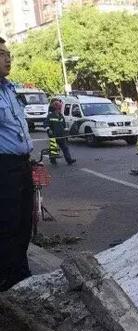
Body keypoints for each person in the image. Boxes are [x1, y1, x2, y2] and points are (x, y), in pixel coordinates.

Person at [0, 36, 34, 291]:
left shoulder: (10, 89)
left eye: (8, 53)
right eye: (2, 54)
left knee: (24, 222)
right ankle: (10, 279)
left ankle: (21, 273)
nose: (8, 58)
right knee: (8, 223)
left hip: (22, 165)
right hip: (4, 168)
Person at [46, 100, 76, 165]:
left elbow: (64, 125)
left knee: (65, 148)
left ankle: (69, 160)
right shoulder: (50, 116)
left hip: (61, 135)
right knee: (54, 149)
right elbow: (46, 124)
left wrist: (66, 132)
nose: (60, 108)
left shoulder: (61, 116)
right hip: (53, 135)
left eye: (60, 107)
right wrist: (49, 130)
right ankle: (53, 160)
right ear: (55, 107)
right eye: (59, 107)